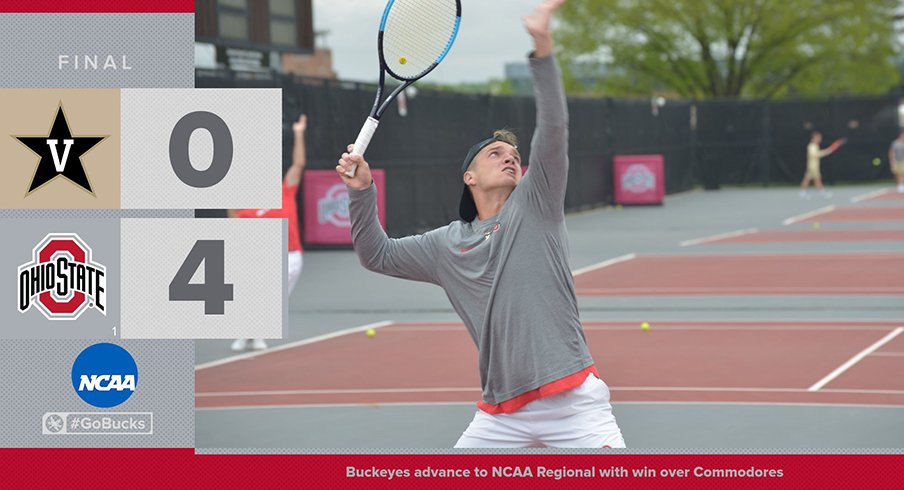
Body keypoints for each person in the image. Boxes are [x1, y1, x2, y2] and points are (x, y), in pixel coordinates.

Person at [336, 0, 625, 448]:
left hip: (574, 405)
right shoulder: (445, 245)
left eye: (514, 156)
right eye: (496, 154)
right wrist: (361, 190)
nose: (510, 158)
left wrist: (543, 49)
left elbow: (554, 127)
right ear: (469, 176)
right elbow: (376, 254)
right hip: (500, 414)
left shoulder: (536, 206)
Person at [229, 114, 307, 351]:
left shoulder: (285, 191)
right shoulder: (248, 210)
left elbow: (298, 165)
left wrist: (299, 133)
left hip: (292, 257)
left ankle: (252, 332)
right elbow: (231, 213)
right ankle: (250, 334)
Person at [800, 131, 844, 198]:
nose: (819, 139)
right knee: (817, 179)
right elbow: (815, 154)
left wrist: (826, 151)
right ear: (813, 138)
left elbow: (817, 154)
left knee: (807, 178)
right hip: (812, 166)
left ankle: (803, 192)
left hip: (813, 165)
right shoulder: (812, 146)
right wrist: (826, 152)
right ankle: (821, 192)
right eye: (818, 138)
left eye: (820, 138)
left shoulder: (815, 146)